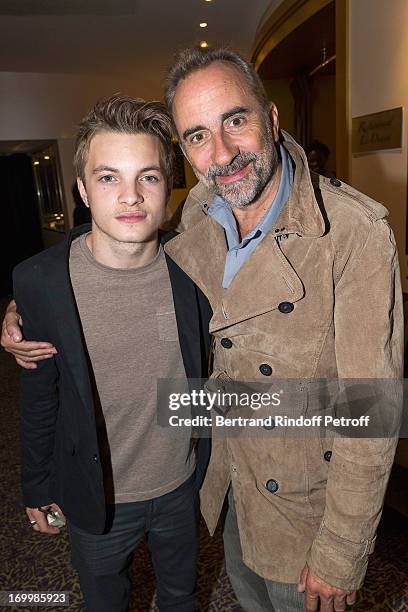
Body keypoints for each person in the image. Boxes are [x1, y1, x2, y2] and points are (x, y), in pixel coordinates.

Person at [2, 48, 403, 612]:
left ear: (272, 118)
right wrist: (22, 310)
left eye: (235, 120)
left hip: (306, 517)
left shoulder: (351, 234)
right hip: (226, 492)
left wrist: (342, 550)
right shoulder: (198, 223)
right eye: (196, 135)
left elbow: (370, 410)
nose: (221, 152)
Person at [4, 94, 211, 612]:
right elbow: (39, 399)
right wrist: (36, 486)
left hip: (181, 485)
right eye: (108, 177)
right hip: (95, 497)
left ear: (168, 187)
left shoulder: (196, 270)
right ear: (82, 190)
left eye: (148, 176)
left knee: (181, 596)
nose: (131, 197)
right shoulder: (40, 282)